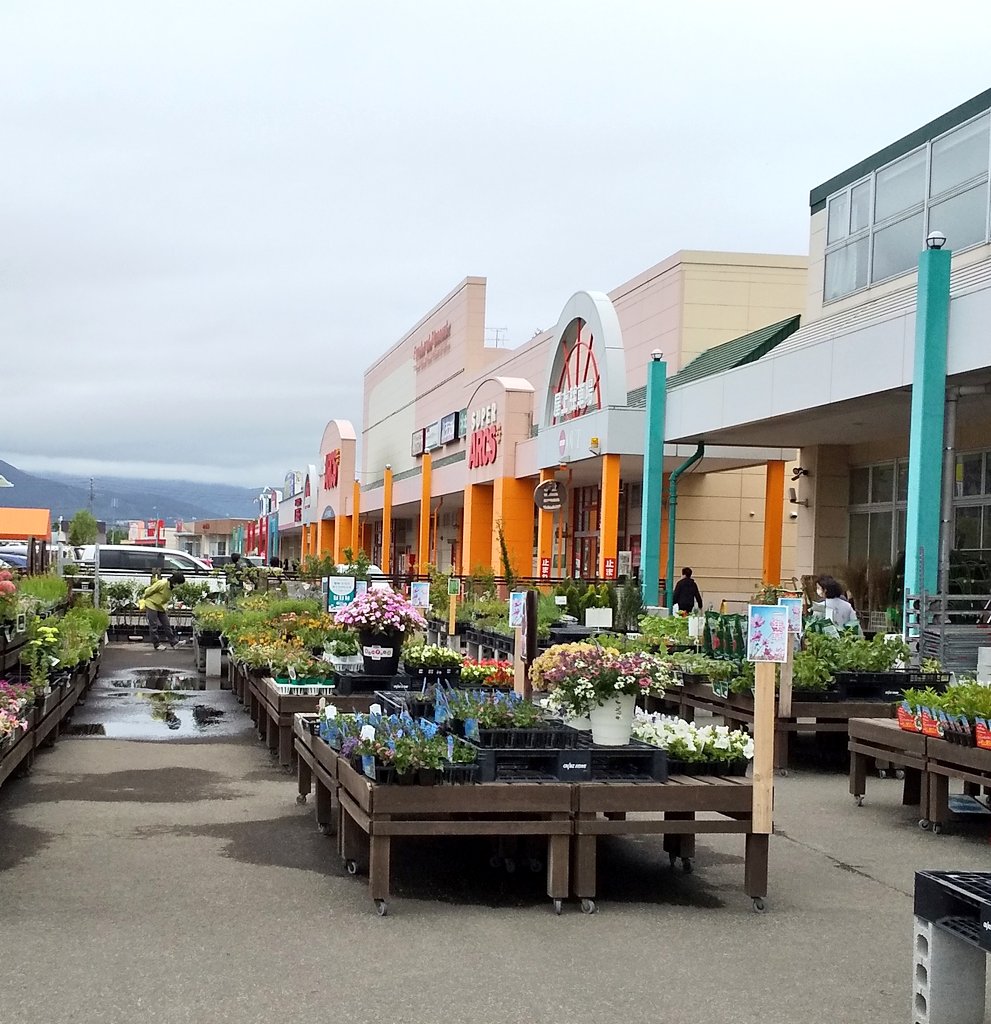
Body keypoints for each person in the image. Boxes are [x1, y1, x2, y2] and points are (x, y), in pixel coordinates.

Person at [141, 572, 187, 650]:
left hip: (160, 606)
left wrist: (175, 604)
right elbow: (148, 591)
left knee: (167, 625)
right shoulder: (162, 583)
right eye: (179, 584)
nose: (179, 586)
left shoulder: (171, 587)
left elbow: (165, 599)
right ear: (175, 582)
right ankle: (157, 645)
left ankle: (174, 643)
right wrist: (144, 600)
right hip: (151, 605)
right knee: (154, 626)